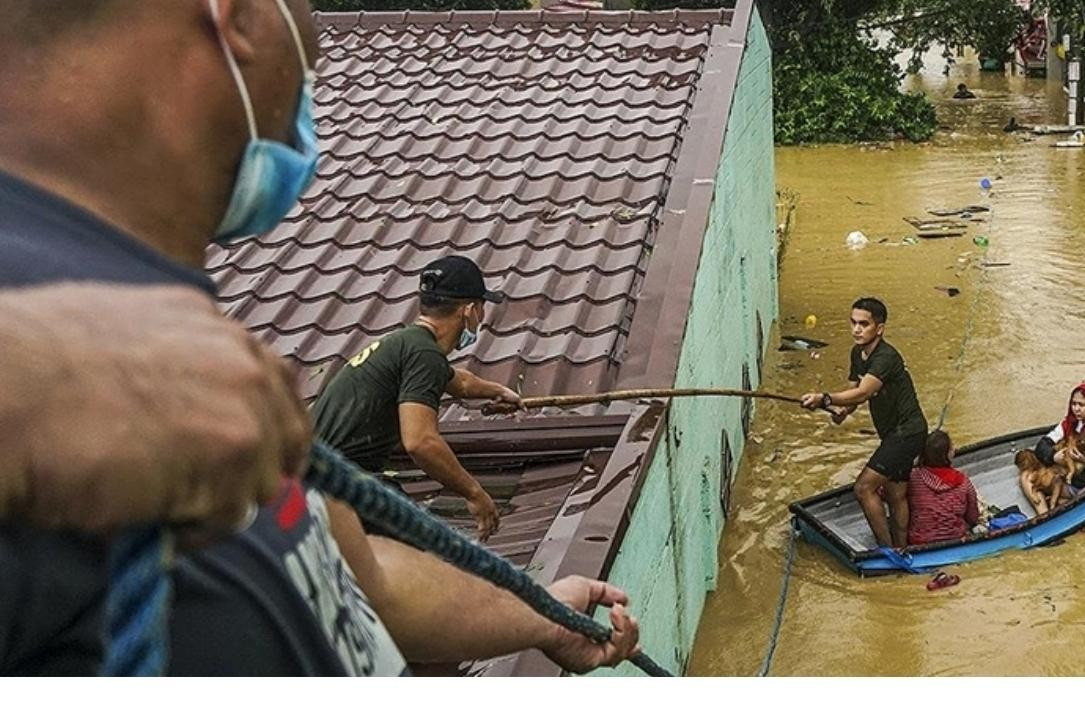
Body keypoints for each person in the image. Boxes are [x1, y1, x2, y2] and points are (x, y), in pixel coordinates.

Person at [0, 0, 638, 676]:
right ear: (235, 15)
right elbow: (421, 435)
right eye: (309, 59)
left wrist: (539, 611)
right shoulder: (37, 355)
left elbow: (367, 583)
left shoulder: (173, 338)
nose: (311, 92)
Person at [311, 256, 520, 541]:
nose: (481, 317)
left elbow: (459, 382)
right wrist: (475, 494)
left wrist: (500, 391)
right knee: (429, 556)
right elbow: (420, 442)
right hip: (334, 487)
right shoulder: (424, 355)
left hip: (314, 479)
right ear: (469, 311)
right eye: (482, 308)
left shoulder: (406, 343)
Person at [801, 297, 929, 548]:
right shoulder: (857, 353)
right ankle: (902, 547)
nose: (856, 329)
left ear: (879, 329)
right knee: (894, 494)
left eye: (864, 324)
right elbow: (853, 394)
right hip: (894, 433)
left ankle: (888, 551)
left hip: (907, 432)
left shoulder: (886, 357)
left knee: (863, 488)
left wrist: (824, 397)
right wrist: (841, 411)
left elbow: (863, 392)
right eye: (853, 323)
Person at [1025, 382, 1085, 502]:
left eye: (1081, 405)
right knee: (1026, 477)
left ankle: (1060, 503)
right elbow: (1042, 446)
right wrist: (1053, 456)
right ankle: (1045, 512)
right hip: (1063, 480)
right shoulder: (1067, 423)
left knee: (1084, 496)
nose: (1076, 409)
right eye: (1073, 404)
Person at [906, 430, 979, 545]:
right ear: (948, 455)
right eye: (951, 448)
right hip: (956, 538)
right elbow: (973, 517)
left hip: (920, 541)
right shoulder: (963, 481)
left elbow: (886, 493)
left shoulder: (912, 478)